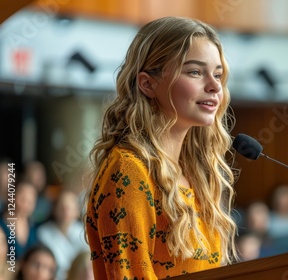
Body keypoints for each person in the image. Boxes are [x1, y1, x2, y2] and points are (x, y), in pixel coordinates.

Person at [84, 16, 238, 279]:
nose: (214, 87)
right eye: (195, 72)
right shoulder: (129, 170)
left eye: (218, 75)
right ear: (147, 83)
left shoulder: (196, 173)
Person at [37, 191, 88, 280]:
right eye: (62, 207)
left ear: (76, 211)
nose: (65, 212)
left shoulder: (83, 233)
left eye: (69, 208)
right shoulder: (43, 232)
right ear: (55, 210)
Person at [0, 181, 38, 261]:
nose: (25, 205)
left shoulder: (33, 227)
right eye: (23, 199)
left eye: (30, 201)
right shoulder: (2, 224)